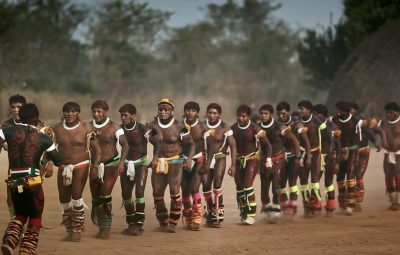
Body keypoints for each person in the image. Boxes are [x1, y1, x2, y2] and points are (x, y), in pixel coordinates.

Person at [0, 103, 62, 255]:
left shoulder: (6, 131)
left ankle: (9, 242)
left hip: (14, 179)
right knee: (35, 214)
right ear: (37, 118)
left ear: (20, 116)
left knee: (20, 213)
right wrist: (45, 158)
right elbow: (59, 160)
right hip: (33, 179)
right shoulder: (44, 138)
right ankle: (26, 250)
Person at [53, 102, 101, 241]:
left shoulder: (86, 127)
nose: (69, 114)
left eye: (73, 112)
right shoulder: (57, 128)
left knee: (76, 196)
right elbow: (50, 148)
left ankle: (77, 230)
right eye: (66, 111)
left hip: (81, 165)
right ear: (63, 113)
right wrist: (49, 164)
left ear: (78, 113)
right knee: (63, 199)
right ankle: (69, 228)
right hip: (62, 166)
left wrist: (95, 167)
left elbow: (97, 150)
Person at [150, 98, 194, 233]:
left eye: (166, 110)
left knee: (174, 191)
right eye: (160, 110)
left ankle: (173, 222)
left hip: (175, 161)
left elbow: (191, 144)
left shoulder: (179, 126)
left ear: (172, 112)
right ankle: (163, 220)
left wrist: (189, 159)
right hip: (159, 162)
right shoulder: (152, 126)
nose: (163, 112)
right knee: (157, 193)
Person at [332, 101, 385, 215]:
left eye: (338, 110)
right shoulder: (335, 120)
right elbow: (324, 124)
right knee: (340, 178)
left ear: (344, 111)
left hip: (353, 151)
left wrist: (375, 140)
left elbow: (368, 130)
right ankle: (342, 204)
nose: (337, 112)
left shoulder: (356, 120)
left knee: (351, 176)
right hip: (341, 151)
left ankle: (351, 205)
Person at [89, 100, 128, 238]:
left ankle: (106, 228)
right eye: (94, 111)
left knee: (105, 194)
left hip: (111, 164)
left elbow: (125, 145)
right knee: (95, 198)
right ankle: (101, 226)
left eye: (99, 111)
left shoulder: (114, 127)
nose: (96, 114)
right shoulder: (88, 127)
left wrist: (122, 162)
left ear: (106, 111)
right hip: (93, 165)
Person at [119, 103, 159, 236]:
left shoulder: (143, 129)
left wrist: (155, 158)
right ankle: (131, 223)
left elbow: (156, 143)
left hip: (141, 163)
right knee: (125, 194)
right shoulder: (119, 129)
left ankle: (139, 224)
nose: (123, 118)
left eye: (126, 115)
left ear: (133, 115)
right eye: (121, 115)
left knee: (139, 192)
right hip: (126, 163)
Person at [258, 104, 300, 221]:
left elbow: (294, 140)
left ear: (271, 115)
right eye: (261, 114)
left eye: (266, 114)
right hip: (264, 161)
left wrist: (297, 157)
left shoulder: (280, 127)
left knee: (276, 185)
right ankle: (267, 208)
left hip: (278, 159)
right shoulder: (257, 127)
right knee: (264, 188)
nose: (263, 116)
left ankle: (276, 209)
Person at [232, 104, 271, 225]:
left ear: (248, 116)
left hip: (252, 159)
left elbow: (267, 145)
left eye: (244, 116)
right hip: (238, 160)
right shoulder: (233, 128)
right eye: (239, 116)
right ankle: (244, 213)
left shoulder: (255, 128)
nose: (241, 118)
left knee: (247, 185)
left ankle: (251, 215)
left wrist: (268, 159)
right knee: (239, 187)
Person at [202, 103, 236, 228]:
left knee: (216, 185)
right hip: (205, 158)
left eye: (215, 113)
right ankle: (210, 212)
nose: (212, 115)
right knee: (205, 186)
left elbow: (233, 146)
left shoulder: (225, 128)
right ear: (206, 113)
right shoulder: (202, 126)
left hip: (220, 158)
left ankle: (217, 216)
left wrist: (233, 165)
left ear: (219, 115)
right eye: (210, 112)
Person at [276, 101, 311, 215]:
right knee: (280, 183)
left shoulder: (296, 124)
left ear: (289, 112)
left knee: (292, 182)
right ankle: (285, 204)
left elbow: (305, 141)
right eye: (279, 114)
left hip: (295, 156)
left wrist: (309, 157)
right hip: (281, 157)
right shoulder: (276, 124)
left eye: (283, 113)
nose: (281, 116)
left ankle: (292, 206)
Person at [297, 100, 330, 216]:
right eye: (299, 108)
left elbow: (328, 136)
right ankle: (307, 208)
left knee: (315, 182)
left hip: (316, 154)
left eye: (302, 109)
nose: (300, 111)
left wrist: (329, 153)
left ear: (309, 110)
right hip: (302, 154)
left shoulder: (316, 121)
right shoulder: (298, 122)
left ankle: (316, 206)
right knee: (303, 182)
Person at [180, 101, 207, 230]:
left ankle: (197, 218)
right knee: (184, 190)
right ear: (184, 112)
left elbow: (211, 146)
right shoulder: (178, 126)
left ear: (197, 113)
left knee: (194, 188)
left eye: (193, 110)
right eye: (188, 110)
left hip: (199, 160)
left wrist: (209, 162)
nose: (190, 112)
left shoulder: (202, 127)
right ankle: (188, 217)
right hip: (182, 161)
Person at [1, 94, 27, 220]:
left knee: (25, 197)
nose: (16, 109)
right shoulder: (5, 126)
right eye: (13, 107)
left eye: (19, 106)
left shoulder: (32, 123)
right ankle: (15, 223)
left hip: (31, 169)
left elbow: (44, 144)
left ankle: (23, 225)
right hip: (13, 169)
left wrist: (48, 164)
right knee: (11, 199)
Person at [313, 104, 341, 216]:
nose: (316, 118)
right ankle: (317, 205)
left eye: (318, 116)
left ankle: (330, 206)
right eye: (314, 115)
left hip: (329, 158)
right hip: (317, 157)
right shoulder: (313, 125)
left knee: (328, 183)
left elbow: (338, 145)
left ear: (324, 116)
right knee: (314, 182)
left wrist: (337, 162)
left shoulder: (332, 127)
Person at [349, 102, 378, 212]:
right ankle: (349, 200)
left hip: (363, 151)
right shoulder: (344, 121)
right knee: (350, 175)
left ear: (356, 110)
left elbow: (369, 132)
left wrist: (376, 142)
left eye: (351, 110)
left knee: (359, 175)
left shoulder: (360, 120)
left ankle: (358, 201)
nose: (349, 113)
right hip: (351, 151)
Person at [377, 102, 399, 210]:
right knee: (388, 177)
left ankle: (398, 201)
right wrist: (379, 139)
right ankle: (392, 201)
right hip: (387, 153)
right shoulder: (382, 122)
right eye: (387, 113)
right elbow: (375, 130)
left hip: (399, 153)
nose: (388, 115)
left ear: (397, 112)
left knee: (398, 176)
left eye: (391, 112)